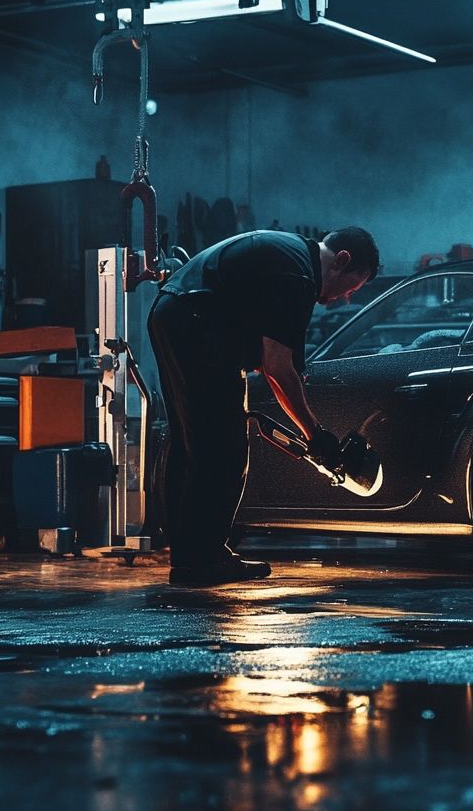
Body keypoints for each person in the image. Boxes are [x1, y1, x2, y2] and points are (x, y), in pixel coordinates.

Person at [148, 226, 379, 586]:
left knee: (191, 443)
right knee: (224, 446)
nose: (342, 299)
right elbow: (276, 368)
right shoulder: (297, 275)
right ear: (341, 260)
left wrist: (307, 423)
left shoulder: (291, 258)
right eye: (350, 288)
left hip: (172, 314)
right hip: (195, 324)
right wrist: (315, 435)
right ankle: (203, 559)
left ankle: (191, 556)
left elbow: (283, 365)